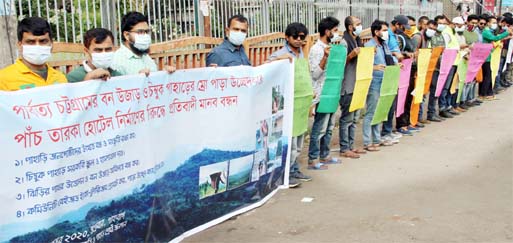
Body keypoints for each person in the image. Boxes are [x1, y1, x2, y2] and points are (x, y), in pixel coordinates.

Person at [268, 22, 312, 187]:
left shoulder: (301, 54)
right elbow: (266, 68)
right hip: (288, 103)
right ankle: (284, 174)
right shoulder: (280, 54)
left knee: (299, 139)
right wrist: (278, 60)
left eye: (302, 37)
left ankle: (294, 169)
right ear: (287, 37)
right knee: (290, 141)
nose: (299, 40)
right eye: (296, 37)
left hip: (301, 103)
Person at [307, 16, 343, 169]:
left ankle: (325, 154)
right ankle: (313, 158)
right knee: (319, 127)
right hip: (321, 93)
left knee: (329, 127)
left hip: (332, 92)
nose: (337, 33)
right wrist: (325, 58)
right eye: (335, 30)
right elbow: (315, 74)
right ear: (327, 31)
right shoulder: (316, 49)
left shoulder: (333, 47)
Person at [0, 17, 67, 91]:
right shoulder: (3, 79)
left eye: (43, 41)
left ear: (51, 44)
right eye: (31, 42)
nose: (37, 46)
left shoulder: (60, 78)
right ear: (20, 45)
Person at [363, 20, 395, 151]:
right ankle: (367, 141)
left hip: (384, 80)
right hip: (374, 82)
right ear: (376, 32)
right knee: (371, 112)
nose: (386, 33)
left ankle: (376, 139)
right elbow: (364, 66)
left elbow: (389, 60)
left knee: (379, 112)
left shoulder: (384, 45)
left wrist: (395, 66)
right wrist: (374, 67)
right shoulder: (369, 46)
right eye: (384, 30)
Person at [112, 11, 175, 76]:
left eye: (146, 32)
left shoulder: (145, 56)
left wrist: (164, 74)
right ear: (127, 35)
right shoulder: (117, 62)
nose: (145, 36)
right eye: (140, 32)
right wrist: (138, 79)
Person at [339, 16, 366, 159]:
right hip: (347, 86)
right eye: (358, 24)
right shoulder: (344, 42)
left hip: (357, 85)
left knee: (354, 119)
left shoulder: (358, 41)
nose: (360, 26)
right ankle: (344, 148)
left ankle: (351, 145)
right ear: (350, 27)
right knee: (346, 119)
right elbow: (339, 63)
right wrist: (351, 55)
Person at [479, 15, 512, 100]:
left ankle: (485, 93)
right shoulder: (486, 32)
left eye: (495, 23)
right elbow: (495, 38)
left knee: (488, 75)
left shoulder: (489, 31)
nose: (495, 24)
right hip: (484, 56)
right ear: (488, 23)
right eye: (493, 23)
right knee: (487, 75)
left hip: (488, 55)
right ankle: (483, 94)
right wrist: (507, 32)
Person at [427, 16, 451, 122]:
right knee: (430, 91)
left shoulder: (442, 36)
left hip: (440, 67)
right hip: (430, 67)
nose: (442, 25)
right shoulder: (430, 36)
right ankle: (429, 113)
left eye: (444, 24)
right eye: (440, 23)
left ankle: (433, 112)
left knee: (436, 90)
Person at [460, 14, 481, 108]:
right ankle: (462, 101)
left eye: (476, 23)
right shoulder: (463, 32)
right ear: (467, 22)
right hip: (464, 58)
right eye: (472, 22)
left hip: (474, 59)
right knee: (464, 82)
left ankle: (469, 99)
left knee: (472, 82)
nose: (474, 25)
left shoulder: (475, 34)